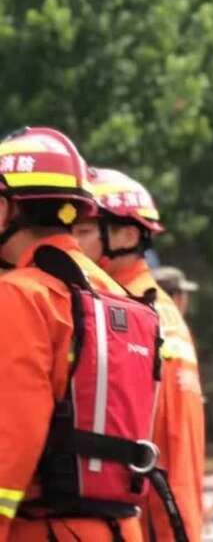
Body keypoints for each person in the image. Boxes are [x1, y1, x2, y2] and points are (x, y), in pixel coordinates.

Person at [0, 127, 152, 541]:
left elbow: (10, 441)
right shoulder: (123, 299)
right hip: (120, 527)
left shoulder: (20, 296)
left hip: (43, 529)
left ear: (5, 210)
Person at [72, 167, 206, 542]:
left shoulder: (125, 318)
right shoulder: (154, 309)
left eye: (81, 231)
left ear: (127, 234)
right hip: (170, 518)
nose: (68, 242)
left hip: (148, 520)